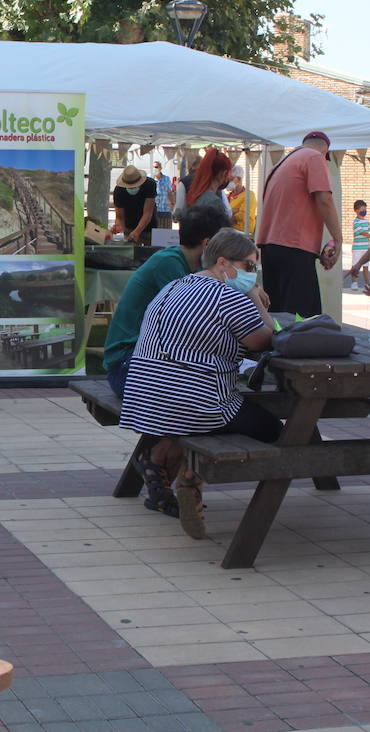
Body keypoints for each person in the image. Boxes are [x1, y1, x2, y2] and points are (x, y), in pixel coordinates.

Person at [119, 228, 277, 540]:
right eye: (249, 266)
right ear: (223, 262)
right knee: (275, 433)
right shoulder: (229, 296)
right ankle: (194, 474)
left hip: (144, 399)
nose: (253, 273)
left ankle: (171, 462)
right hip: (200, 403)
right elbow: (265, 339)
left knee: (201, 409)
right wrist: (255, 298)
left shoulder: (174, 286)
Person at [103, 203, 233, 396]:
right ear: (208, 244)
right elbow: (198, 321)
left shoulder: (192, 267)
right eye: (226, 246)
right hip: (128, 365)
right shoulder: (169, 263)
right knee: (210, 393)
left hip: (145, 360)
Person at [255, 131, 342, 316]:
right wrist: (338, 238)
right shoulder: (314, 157)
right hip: (294, 247)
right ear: (325, 151)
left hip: (271, 246)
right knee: (301, 317)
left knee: (277, 313)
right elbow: (324, 199)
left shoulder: (281, 163)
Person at [112, 166, 157, 244]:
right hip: (128, 228)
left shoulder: (150, 185)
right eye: (129, 186)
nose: (132, 188)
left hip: (149, 229)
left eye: (134, 185)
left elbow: (148, 213)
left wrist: (137, 232)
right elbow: (119, 216)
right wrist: (119, 227)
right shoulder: (119, 190)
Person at [186, 148, 233, 220]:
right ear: (224, 174)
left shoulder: (197, 196)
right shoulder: (214, 202)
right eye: (229, 173)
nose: (230, 177)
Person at [351, 200, 370, 288]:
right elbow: (363, 233)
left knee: (366, 266)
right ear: (356, 210)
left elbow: (367, 231)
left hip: (366, 247)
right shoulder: (355, 222)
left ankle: (368, 283)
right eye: (361, 209)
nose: (363, 211)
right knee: (355, 266)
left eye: (364, 209)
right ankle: (354, 283)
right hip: (357, 248)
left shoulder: (367, 222)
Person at [151, 162, 174, 229]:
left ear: (160, 168)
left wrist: (173, 204)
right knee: (156, 234)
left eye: (156, 167)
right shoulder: (150, 179)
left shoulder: (166, 179)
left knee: (166, 233)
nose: (154, 169)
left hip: (165, 210)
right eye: (153, 167)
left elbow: (170, 192)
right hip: (154, 211)